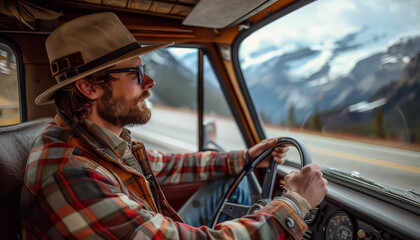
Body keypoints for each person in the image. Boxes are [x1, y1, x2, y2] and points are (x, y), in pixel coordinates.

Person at [20, 12, 328, 239]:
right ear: (90, 87)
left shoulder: (92, 141)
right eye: (137, 75)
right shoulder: (70, 174)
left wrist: (245, 158)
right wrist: (293, 204)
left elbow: (164, 165)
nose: (150, 83)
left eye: (147, 71)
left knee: (225, 180)